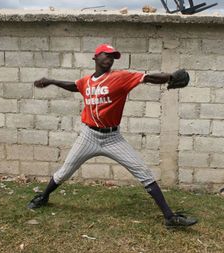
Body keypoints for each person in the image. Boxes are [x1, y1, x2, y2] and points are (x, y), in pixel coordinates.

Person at [28, 44, 197, 229]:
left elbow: (147, 77)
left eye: (113, 56)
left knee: (144, 173)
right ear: (95, 57)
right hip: (88, 136)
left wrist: (170, 77)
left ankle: (170, 218)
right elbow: (74, 86)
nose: (110, 58)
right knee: (64, 172)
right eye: (106, 54)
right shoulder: (86, 81)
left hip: (113, 138)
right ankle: (43, 197)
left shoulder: (120, 77)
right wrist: (51, 81)